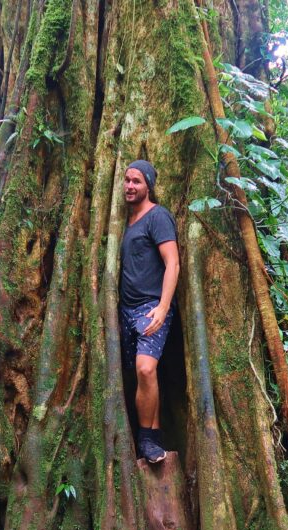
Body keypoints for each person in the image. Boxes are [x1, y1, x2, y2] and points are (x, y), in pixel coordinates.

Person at [119, 160, 179, 464]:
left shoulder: (158, 217)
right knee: (142, 374)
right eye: (127, 180)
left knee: (145, 367)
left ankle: (145, 437)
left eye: (137, 182)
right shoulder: (128, 222)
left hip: (151, 307)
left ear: (148, 186)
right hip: (126, 310)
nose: (130, 186)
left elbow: (173, 263)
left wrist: (163, 307)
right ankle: (152, 438)